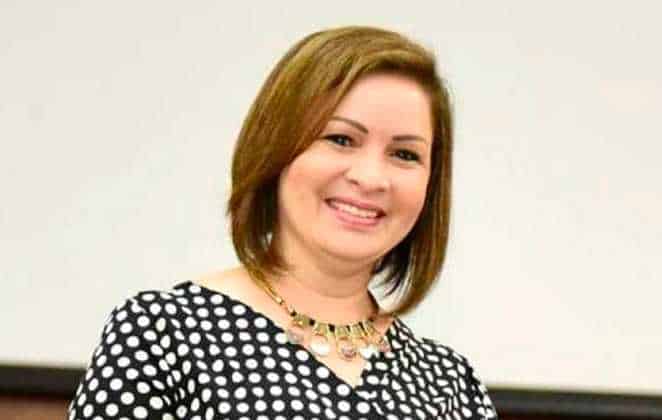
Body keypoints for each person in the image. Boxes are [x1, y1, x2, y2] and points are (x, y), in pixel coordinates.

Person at [67, 26, 498, 419]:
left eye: (405, 154)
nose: (370, 178)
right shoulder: (162, 333)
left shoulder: (449, 383)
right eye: (340, 139)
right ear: (275, 149)